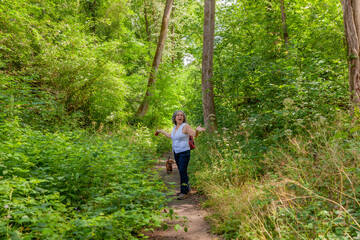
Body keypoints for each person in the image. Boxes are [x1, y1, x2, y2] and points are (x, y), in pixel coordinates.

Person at [156, 110, 206, 200]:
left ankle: (184, 192)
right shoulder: (175, 127)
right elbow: (170, 136)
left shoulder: (185, 126)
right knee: (181, 171)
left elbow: (194, 135)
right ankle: (186, 189)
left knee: (183, 171)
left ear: (183, 117)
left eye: (182, 115)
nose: (180, 117)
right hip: (176, 152)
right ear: (175, 118)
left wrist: (197, 131)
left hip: (184, 152)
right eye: (178, 115)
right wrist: (161, 131)